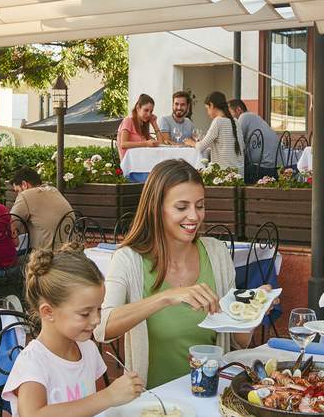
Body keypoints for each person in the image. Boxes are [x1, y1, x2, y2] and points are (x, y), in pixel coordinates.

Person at [94, 159, 261, 388]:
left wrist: (253, 311)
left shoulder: (216, 252)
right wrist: (167, 297)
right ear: (156, 208)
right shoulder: (128, 259)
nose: (194, 216)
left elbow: (236, 339)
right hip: (155, 404)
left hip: (208, 398)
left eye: (200, 206)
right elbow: (102, 329)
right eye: (182, 207)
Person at [2, 245, 145, 417]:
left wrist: (112, 398)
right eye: (85, 313)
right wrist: (108, 396)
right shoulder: (34, 361)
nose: (96, 320)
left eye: (99, 309)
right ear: (48, 312)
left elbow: (99, 409)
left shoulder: (88, 349)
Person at [9, 167, 74, 253]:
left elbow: (10, 224)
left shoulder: (26, 195)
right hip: (71, 250)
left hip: (47, 256)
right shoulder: (54, 190)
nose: (17, 195)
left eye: (17, 191)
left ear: (24, 184)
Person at [195, 91, 245, 176]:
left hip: (224, 175)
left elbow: (200, 147)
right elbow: (242, 146)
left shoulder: (218, 121)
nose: (207, 113)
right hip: (239, 174)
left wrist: (191, 142)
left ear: (212, 105)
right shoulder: (235, 121)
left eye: (207, 108)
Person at [229, 98, 280, 179]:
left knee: (231, 174)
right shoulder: (254, 117)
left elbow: (234, 141)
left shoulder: (244, 116)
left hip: (261, 169)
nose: (229, 117)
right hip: (275, 168)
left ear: (238, 110)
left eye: (230, 113)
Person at [117, 94, 162, 160]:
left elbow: (160, 143)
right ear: (138, 108)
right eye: (146, 110)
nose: (149, 114)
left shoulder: (143, 126)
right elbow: (123, 144)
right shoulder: (128, 121)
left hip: (142, 161)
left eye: (151, 111)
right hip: (131, 165)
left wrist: (154, 124)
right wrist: (146, 143)